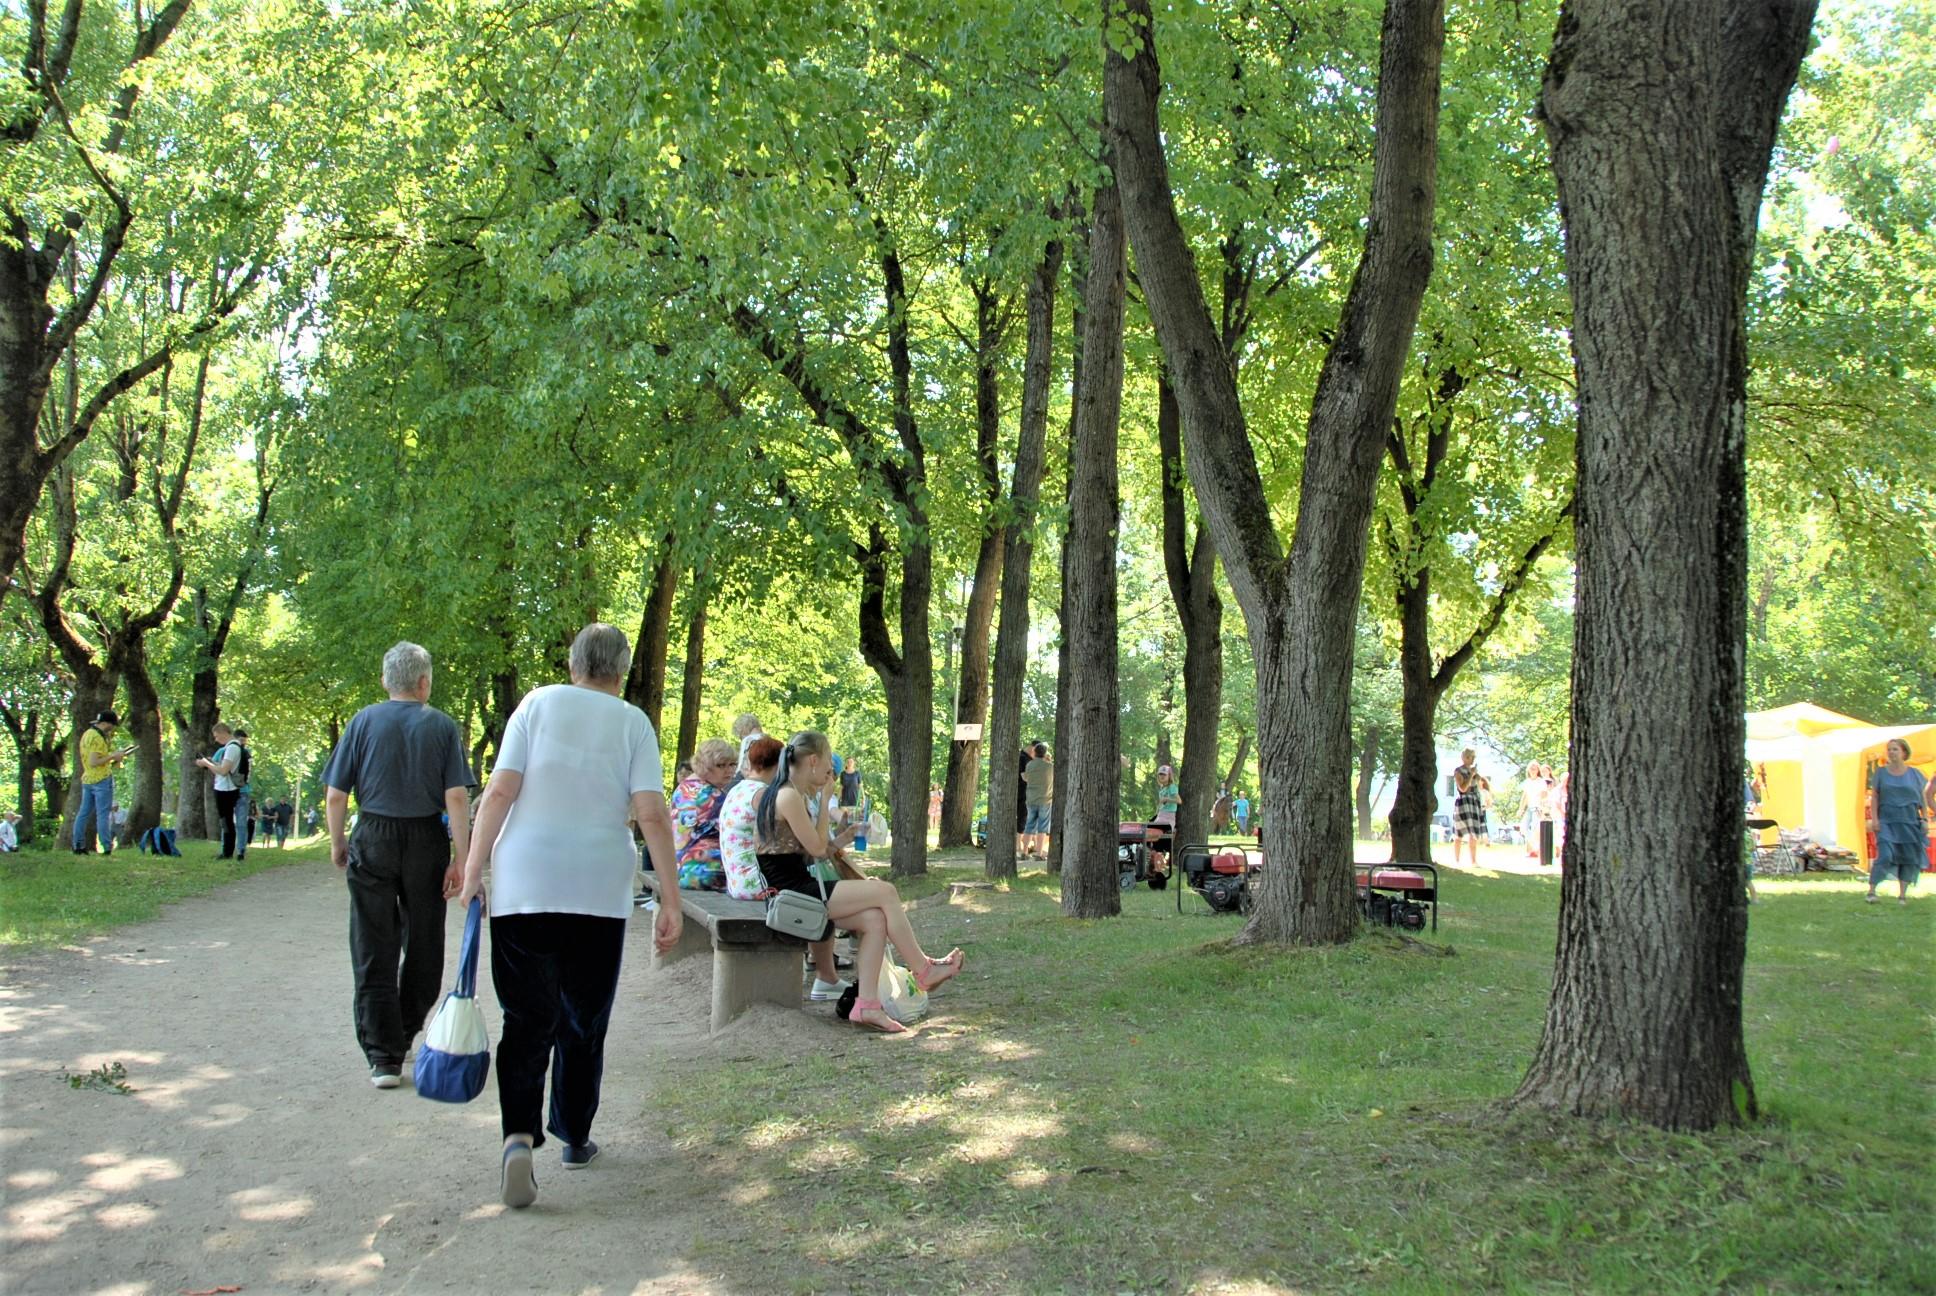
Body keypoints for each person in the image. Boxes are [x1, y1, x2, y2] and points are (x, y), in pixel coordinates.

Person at [455, 623, 681, 1209]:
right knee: (584, 1019)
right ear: (622, 670)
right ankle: (575, 1135)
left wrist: (474, 868)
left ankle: (516, 1138)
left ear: (574, 662)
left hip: (525, 882)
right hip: (598, 888)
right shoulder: (633, 722)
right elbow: (651, 812)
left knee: (526, 1019)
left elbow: (500, 792)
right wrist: (670, 899)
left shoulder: (536, 704)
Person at [323, 642, 473, 1090]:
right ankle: (405, 1032)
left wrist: (337, 842)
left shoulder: (362, 722)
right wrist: (461, 858)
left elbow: (336, 794)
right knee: (425, 940)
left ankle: (382, 1055)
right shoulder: (443, 727)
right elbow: (458, 798)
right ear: (424, 682)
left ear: (386, 680)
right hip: (426, 839)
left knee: (373, 943)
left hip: (374, 834)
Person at [755, 731, 962, 1034]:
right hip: (792, 893)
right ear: (812, 761)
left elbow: (819, 851)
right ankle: (923, 969)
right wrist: (826, 801)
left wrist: (845, 836)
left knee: (875, 919)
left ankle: (867, 1007)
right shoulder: (788, 795)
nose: (830, 774)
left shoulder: (789, 793)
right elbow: (814, 849)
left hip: (799, 886)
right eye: (827, 766)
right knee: (885, 891)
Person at [718, 737, 848, 1000]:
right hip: (759, 881)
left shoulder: (738, 789)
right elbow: (814, 847)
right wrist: (823, 803)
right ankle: (825, 971)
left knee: (820, 880)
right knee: (823, 884)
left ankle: (826, 971)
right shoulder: (765, 795)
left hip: (737, 877)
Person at [1865, 738, 1931, 907]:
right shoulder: (1881, 773)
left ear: (1904, 752)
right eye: (1889, 750)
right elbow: (1875, 797)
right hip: (1887, 821)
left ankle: (1902, 895)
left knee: (1908, 858)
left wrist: (1924, 818)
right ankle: (1871, 891)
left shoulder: (1915, 774)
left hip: (1909, 822)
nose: (1891, 753)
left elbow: (1922, 799)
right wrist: (1875, 819)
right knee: (1886, 855)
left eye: (1895, 749)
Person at [670, 738, 737, 890]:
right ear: (704, 766)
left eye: (732, 764)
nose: (729, 771)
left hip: (678, 868)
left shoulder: (683, 788)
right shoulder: (714, 796)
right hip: (706, 872)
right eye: (721, 765)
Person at [1452, 749, 1489, 869]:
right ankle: (1457, 860)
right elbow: (1462, 788)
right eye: (1469, 757)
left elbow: (1480, 785)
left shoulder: (1474, 772)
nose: (1472, 760)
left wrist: (1476, 776)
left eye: (1473, 757)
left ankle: (1473, 861)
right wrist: (1471, 775)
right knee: (1459, 832)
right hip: (1463, 802)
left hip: (1474, 802)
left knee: (1474, 832)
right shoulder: (1458, 771)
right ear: (1464, 758)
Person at [1021, 742, 1053, 860]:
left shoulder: (1029, 765)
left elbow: (1026, 778)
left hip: (1031, 799)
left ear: (1034, 752)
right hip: (1045, 800)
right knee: (1042, 827)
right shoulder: (1050, 766)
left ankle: (1024, 852)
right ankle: (1039, 854)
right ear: (1045, 753)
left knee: (1029, 826)